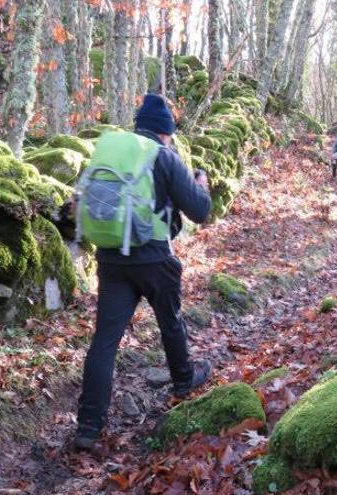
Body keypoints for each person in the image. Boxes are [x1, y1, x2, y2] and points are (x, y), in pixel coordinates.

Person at [74, 94, 212, 450]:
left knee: (104, 341)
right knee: (170, 320)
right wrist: (201, 183)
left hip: (111, 259)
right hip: (154, 257)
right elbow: (200, 211)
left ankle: (88, 427)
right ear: (166, 133)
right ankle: (183, 380)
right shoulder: (165, 156)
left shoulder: (115, 153)